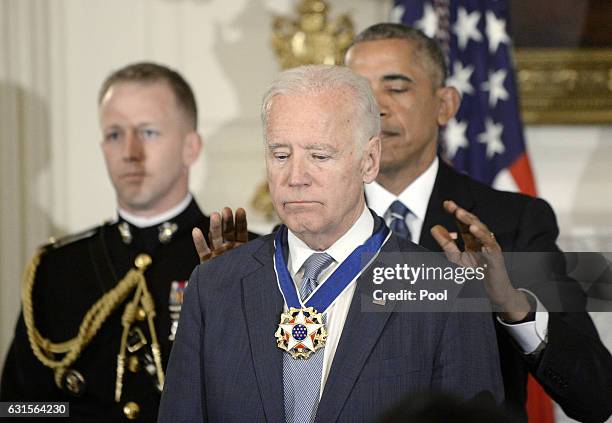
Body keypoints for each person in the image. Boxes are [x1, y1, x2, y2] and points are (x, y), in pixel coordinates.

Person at [158, 64, 504, 423]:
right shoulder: (215, 285)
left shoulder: (447, 292)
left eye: (319, 156)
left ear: (369, 161)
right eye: (280, 155)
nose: (295, 177)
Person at [344, 23, 612, 422]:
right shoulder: (316, 222)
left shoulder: (513, 223)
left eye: (396, 88)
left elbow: (597, 395)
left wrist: (512, 305)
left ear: (445, 105)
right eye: (359, 94)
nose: (376, 108)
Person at [0, 62, 249, 422]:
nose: (130, 151)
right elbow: (18, 408)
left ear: (190, 148)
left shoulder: (246, 257)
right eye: (115, 134)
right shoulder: (57, 269)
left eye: (148, 132)